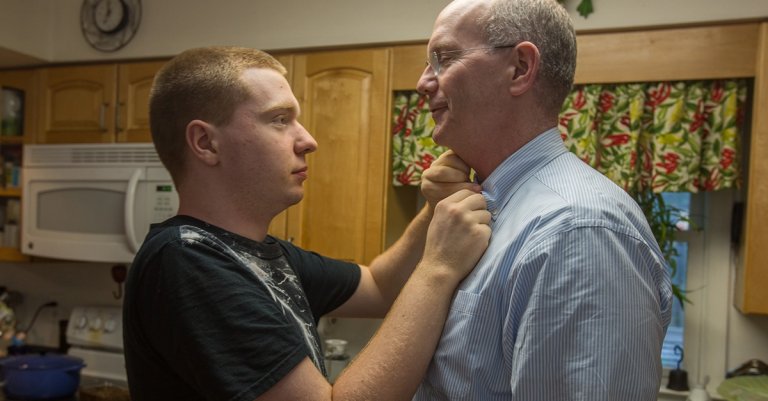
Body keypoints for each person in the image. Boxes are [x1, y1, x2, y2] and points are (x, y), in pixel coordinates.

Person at [122, 46, 492, 401]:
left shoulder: (257, 253)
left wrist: (433, 209)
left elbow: (380, 287)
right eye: (280, 120)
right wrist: (438, 268)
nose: (308, 140)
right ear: (206, 142)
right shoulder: (187, 261)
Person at [413, 0, 674, 400]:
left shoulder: (577, 232)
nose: (423, 82)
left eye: (444, 58)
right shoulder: (485, 208)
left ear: (519, 68)